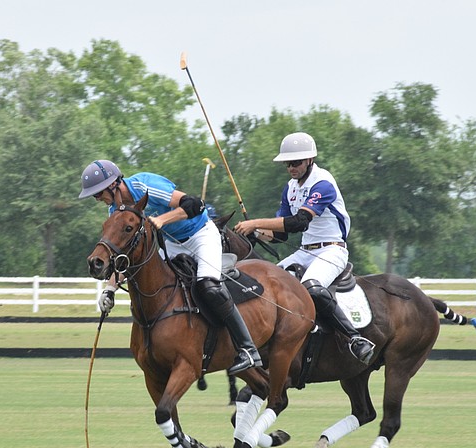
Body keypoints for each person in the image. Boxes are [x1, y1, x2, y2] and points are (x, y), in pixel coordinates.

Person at [79, 159, 261, 375]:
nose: (97, 199)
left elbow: (194, 204)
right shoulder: (116, 211)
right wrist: (110, 288)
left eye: (98, 193)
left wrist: (163, 220)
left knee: (209, 286)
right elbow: (123, 255)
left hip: (200, 235)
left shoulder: (144, 185)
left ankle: (247, 348)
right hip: (172, 243)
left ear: (113, 185)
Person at [233, 132, 376, 364]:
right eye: (287, 163)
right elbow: (281, 235)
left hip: (332, 250)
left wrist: (255, 222)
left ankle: (355, 338)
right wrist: (256, 233)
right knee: (264, 285)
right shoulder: (290, 188)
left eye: (296, 162)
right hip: (305, 250)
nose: (291, 167)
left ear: (310, 159)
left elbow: (300, 221)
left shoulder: (323, 183)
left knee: (311, 286)